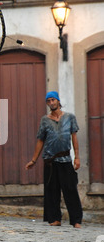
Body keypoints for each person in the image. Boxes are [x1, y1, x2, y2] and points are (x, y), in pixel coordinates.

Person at [25, 91, 83, 228]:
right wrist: (33, 160)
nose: (51, 103)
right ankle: (55, 218)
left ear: (58, 101)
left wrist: (77, 157)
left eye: (53, 100)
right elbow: (40, 140)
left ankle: (76, 220)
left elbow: (74, 137)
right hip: (50, 161)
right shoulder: (45, 120)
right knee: (52, 190)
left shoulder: (70, 117)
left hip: (65, 159)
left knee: (70, 190)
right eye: (48, 101)